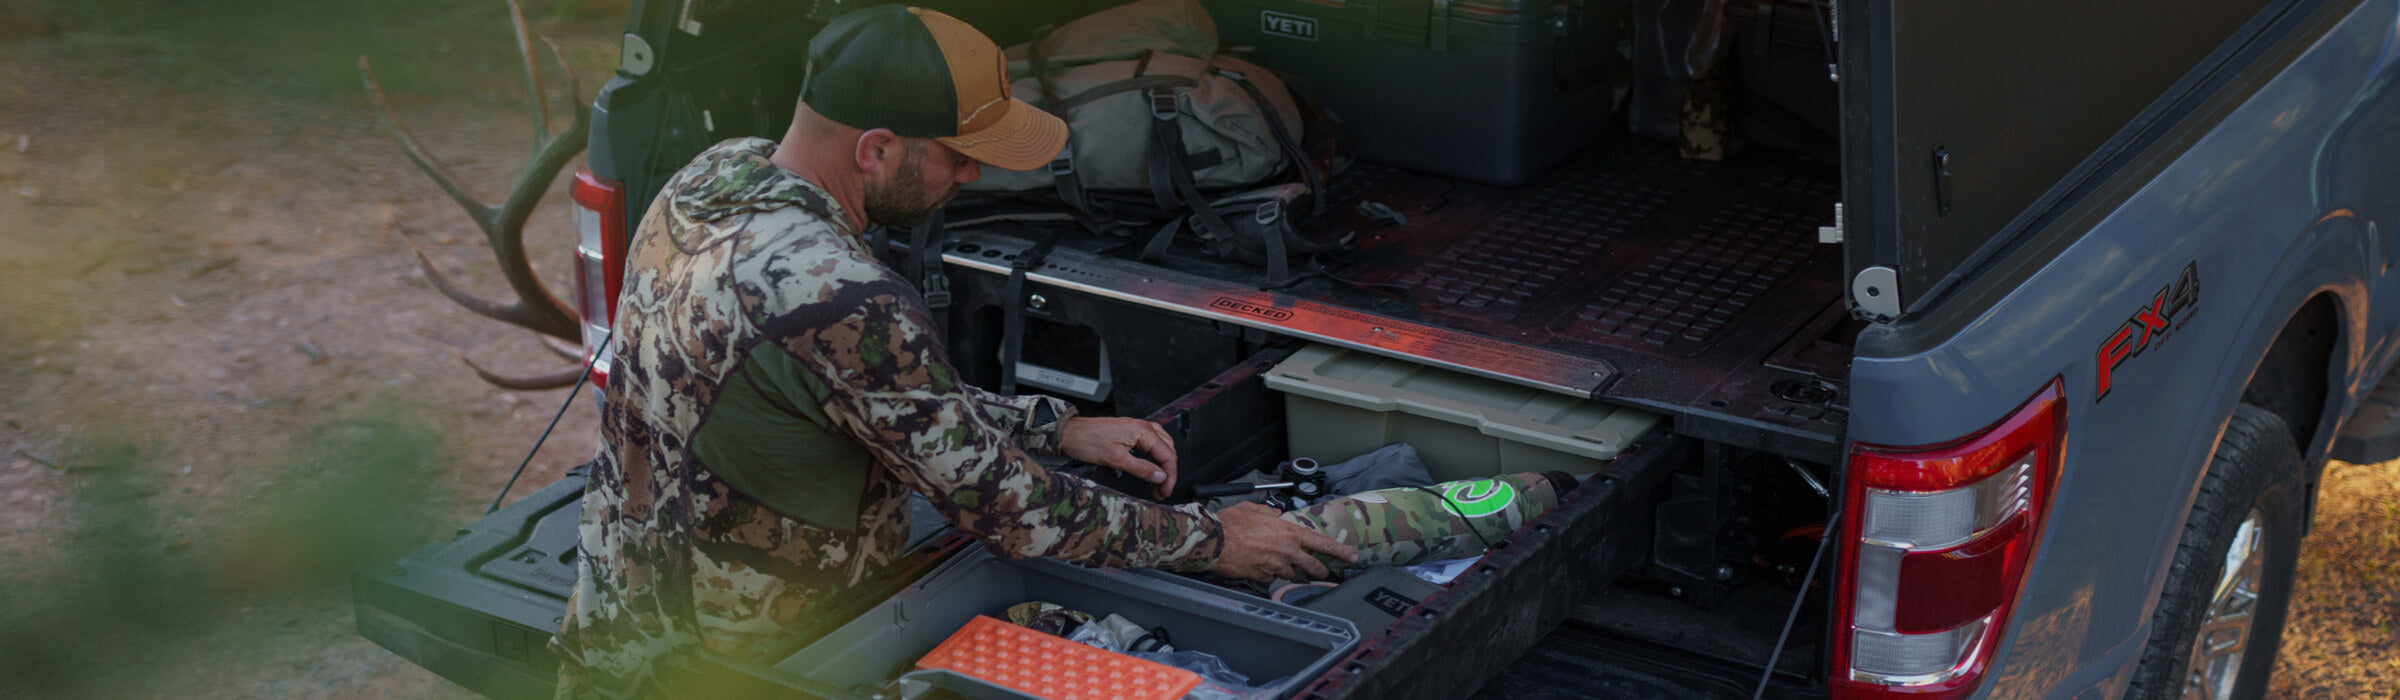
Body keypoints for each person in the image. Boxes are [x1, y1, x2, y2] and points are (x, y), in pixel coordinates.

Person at [548, 5, 1353, 696]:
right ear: (876, 149)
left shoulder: (712, 175)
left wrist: (1054, 428)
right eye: (957, 154)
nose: (971, 175)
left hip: (621, 621)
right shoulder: (844, 297)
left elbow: (866, 397)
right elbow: (1016, 513)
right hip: (751, 666)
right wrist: (1216, 541)